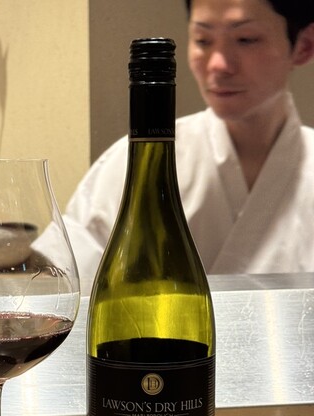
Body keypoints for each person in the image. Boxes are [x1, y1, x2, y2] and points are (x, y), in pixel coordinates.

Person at [63, 0, 314, 284]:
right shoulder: (131, 163)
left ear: (304, 46)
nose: (218, 64)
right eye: (203, 40)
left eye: (246, 39)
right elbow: (63, 281)